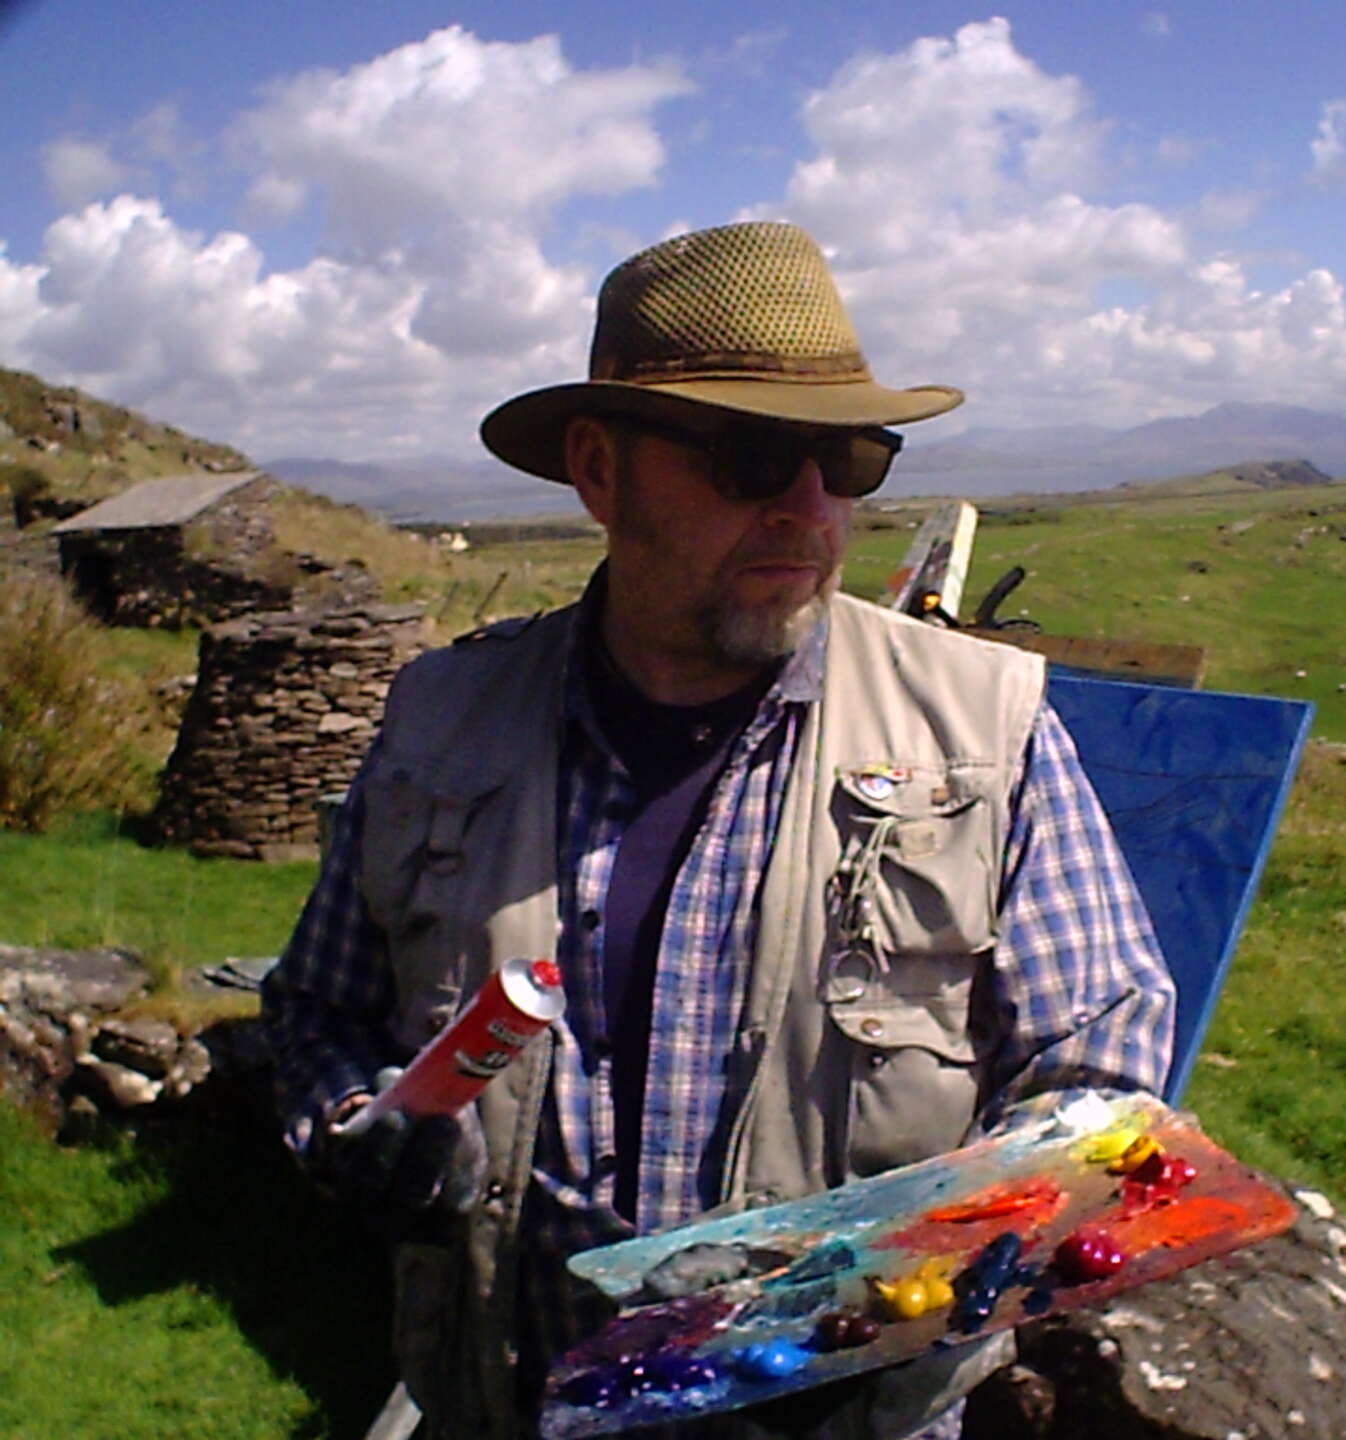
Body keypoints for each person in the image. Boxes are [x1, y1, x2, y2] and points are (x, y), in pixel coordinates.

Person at [263, 221, 1175, 1440]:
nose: (810, 510)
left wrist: (852, 1318)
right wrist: (355, 1128)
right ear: (599, 470)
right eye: (753, 456)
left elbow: (1099, 1089)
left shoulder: (986, 735)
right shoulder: (440, 726)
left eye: (847, 458)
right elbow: (316, 1010)